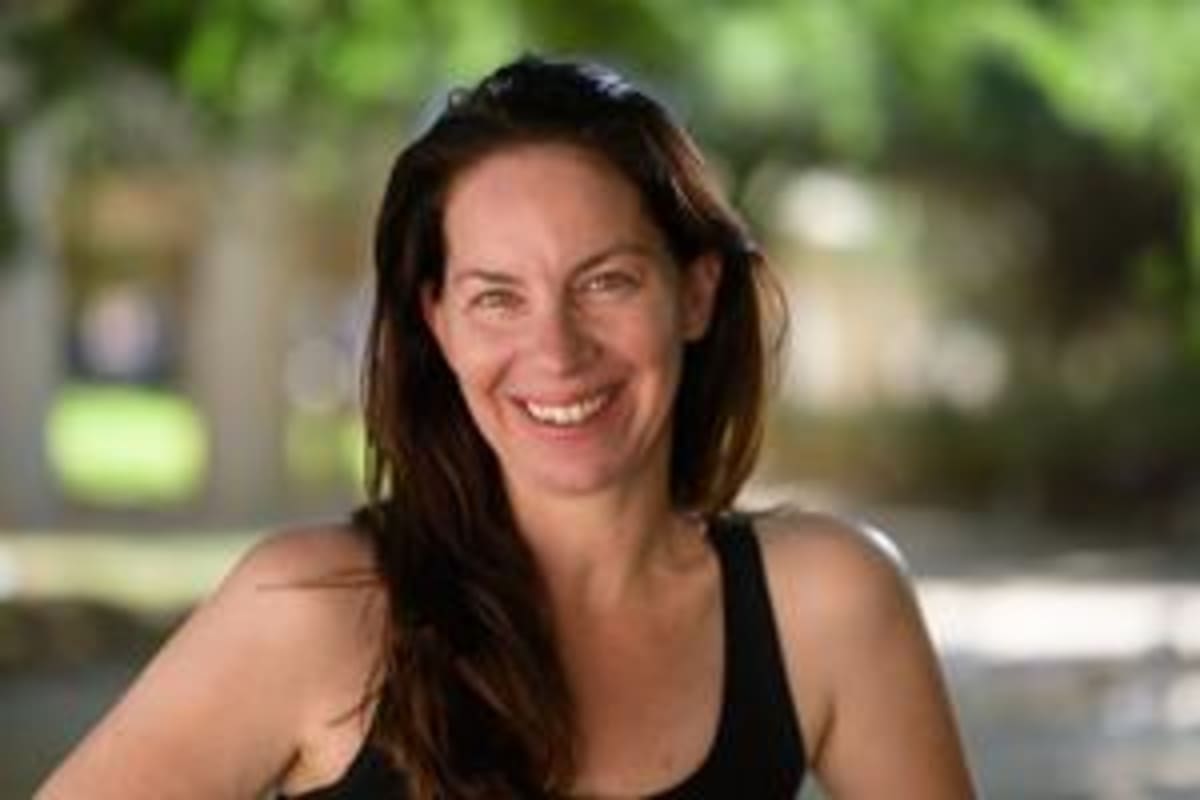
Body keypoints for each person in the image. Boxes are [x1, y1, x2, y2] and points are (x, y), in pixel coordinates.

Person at [38, 55, 975, 799]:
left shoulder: (828, 605)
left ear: (695, 292)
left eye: (606, 281)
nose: (556, 350)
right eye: (496, 297)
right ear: (439, 321)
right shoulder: (312, 611)